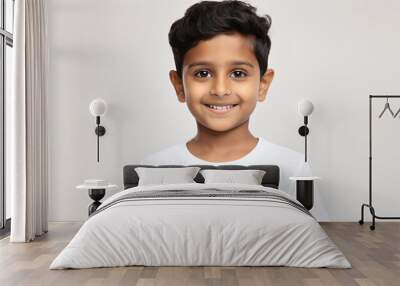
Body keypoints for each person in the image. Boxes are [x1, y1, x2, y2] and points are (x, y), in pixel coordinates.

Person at [140, 0, 312, 197]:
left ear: (263, 85)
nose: (220, 90)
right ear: (179, 85)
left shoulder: (294, 166)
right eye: (203, 73)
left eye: (238, 74)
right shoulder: (154, 167)